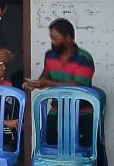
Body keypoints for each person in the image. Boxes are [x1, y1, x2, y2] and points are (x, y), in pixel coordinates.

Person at [25, 18, 96, 146]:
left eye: (55, 38)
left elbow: (78, 85)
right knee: (47, 145)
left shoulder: (84, 58)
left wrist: (47, 83)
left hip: (82, 112)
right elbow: (45, 78)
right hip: (57, 110)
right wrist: (34, 84)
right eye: (51, 38)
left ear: (68, 38)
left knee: (86, 149)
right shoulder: (50, 55)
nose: (52, 42)